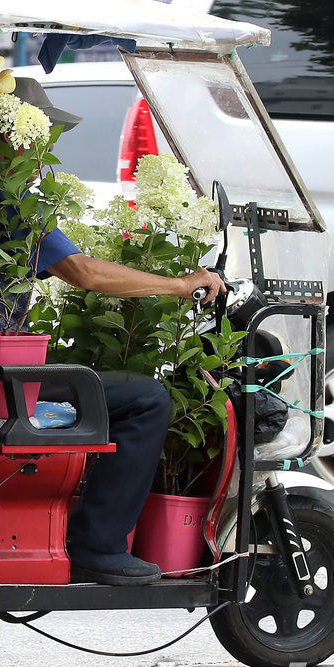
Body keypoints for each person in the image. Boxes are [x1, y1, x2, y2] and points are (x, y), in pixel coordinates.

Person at [37, 228, 225, 586]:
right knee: (146, 400)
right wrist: (181, 284)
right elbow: (86, 272)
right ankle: (96, 545)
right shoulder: (11, 208)